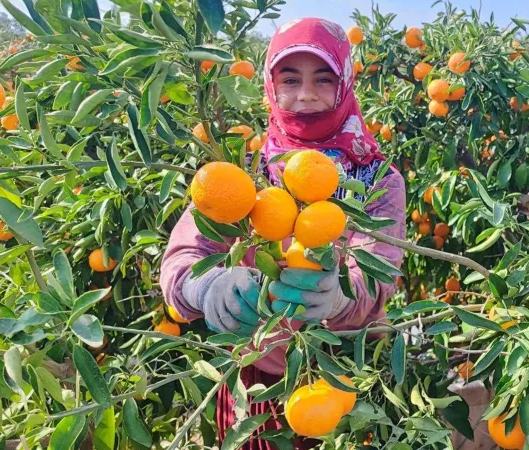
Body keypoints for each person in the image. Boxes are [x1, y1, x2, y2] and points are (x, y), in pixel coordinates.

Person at [160, 18, 407, 449]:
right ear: (272, 86)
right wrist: (206, 289)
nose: (306, 94)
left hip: (340, 375)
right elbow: (185, 254)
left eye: (323, 79)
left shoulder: (376, 177)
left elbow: (378, 273)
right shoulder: (244, 168)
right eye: (290, 79)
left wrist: (340, 297)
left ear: (346, 84)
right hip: (255, 379)